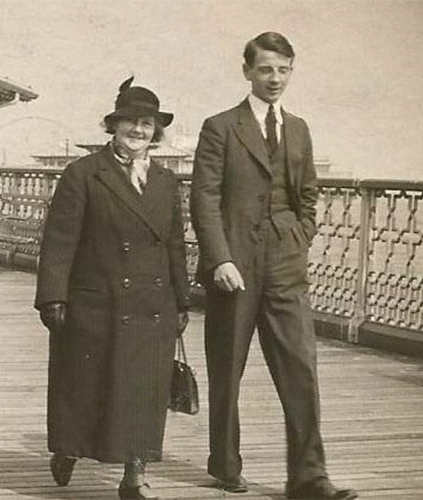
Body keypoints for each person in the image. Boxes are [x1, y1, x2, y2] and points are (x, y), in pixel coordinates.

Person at [190, 32, 358, 499]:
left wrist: (299, 236)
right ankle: (225, 465)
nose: (275, 79)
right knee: (227, 369)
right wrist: (219, 257)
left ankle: (308, 478)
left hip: (285, 265)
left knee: (301, 368)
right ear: (247, 71)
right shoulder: (220, 127)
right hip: (234, 268)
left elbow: (308, 195)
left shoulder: (299, 128)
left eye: (283, 70)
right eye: (266, 69)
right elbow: (203, 198)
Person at [35, 77, 190, 500]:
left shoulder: (165, 181)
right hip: (96, 298)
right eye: (130, 123)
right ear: (113, 126)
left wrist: (181, 298)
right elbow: (59, 240)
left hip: (152, 303)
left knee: (144, 391)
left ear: (155, 131)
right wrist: (53, 296)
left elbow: (175, 243)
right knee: (87, 384)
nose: (138, 131)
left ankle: (134, 476)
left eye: (146, 124)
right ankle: (69, 448)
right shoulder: (83, 174)